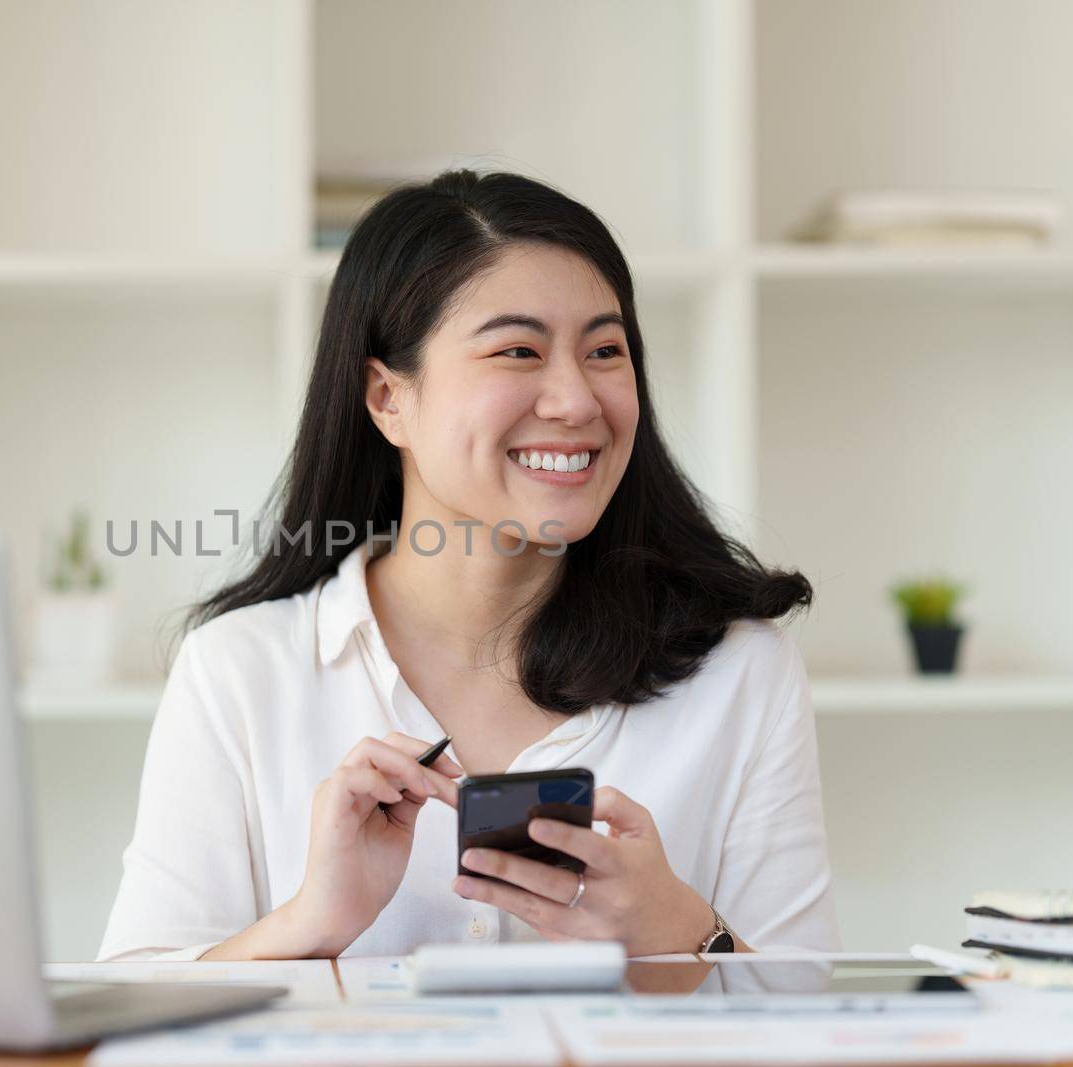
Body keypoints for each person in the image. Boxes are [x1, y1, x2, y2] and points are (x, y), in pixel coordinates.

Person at [97, 170, 840, 963]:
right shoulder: (241, 671)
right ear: (387, 397)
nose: (577, 400)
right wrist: (309, 922)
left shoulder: (741, 670)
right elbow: (137, 1006)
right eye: (519, 350)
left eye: (605, 350)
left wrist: (684, 931)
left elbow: (818, 1019)